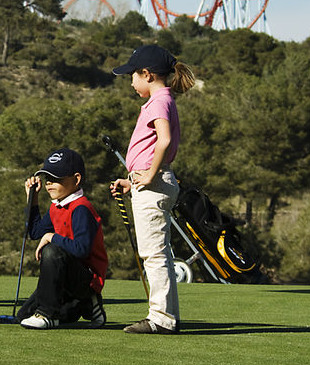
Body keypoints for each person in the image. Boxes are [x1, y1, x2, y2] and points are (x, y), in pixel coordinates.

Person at [109, 44, 195, 334]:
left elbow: (165, 140)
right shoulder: (161, 99)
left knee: (154, 254)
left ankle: (161, 319)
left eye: (132, 75)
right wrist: (132, 181)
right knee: (159, 252)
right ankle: (165, 316)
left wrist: (148, 176)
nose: (131, 82)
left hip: (154, 183)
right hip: (151, 182)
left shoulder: (159, 101)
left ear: (147, 74)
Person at [17, 148, 108, 330]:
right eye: (47, 178)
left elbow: (82, 249)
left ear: (76, 179)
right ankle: (87, 306)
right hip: (67, 277)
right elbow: (35, 232)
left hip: (85, 279)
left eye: (57, 178)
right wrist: (32, 199)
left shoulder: (81, 208)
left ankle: (47, 314)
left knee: (52, 251)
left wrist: (51, 237)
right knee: (23, 316)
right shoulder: (56, 207)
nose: (50, 183)